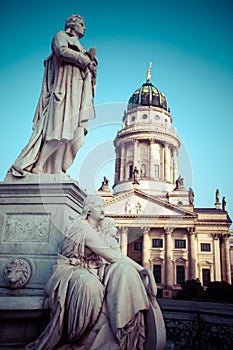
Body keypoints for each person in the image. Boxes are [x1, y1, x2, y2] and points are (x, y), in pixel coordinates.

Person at [26, 194, 166, 349]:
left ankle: (125, 329)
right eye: (99, 206)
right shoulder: (83, 229)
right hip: (72, 272)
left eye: (103, 206)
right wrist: (143, 269)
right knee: (92, 288)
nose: (103, 209)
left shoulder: (97, 230)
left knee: (124, 271)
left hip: (92, 269)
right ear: (89, 210)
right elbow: (111, 255)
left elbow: (114, 256)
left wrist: (138, 271)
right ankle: (79, 339)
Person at [10, 14, 97, 177]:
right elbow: (61, 52)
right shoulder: (61, 36)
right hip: (63, 90)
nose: (84, 27)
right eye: (81, 24)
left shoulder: (82, 48)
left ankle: (57, 168)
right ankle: (39, 166)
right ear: (72, 24)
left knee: (69, 133)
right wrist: (83, 60)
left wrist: (92, 66)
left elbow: (88, 75)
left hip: (77, 94)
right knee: (57, 131)